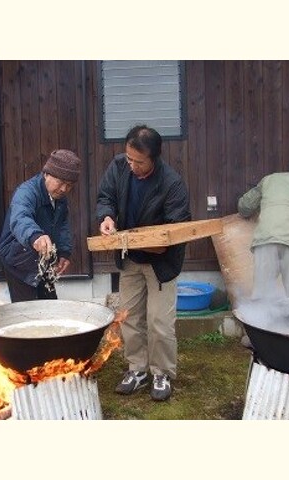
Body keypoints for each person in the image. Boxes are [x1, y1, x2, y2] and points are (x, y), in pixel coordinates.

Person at [96, 125, 191, 401]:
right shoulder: (119, 166)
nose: (132, 165)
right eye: (129, 158)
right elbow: (106, 197)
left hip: (161, 263)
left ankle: (161, 373)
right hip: (130, 260)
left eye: (139, 161)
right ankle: (137, 369)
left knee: (160, 321)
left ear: (154, 158)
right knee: (130, 317)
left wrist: (153, 241)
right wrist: (107, 216)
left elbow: (177, 226)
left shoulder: (171, 183)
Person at [0, 149, 81, 303]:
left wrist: (64, 253)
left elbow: (62, 226)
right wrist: (35, 236)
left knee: (50, 307)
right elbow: (20, 218)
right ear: (47, 174)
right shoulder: (26, 192)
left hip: (43, 258)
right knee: (27, 312)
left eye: (69, 185)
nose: (64, 189)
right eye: (60, 182)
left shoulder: (60, 198)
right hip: (18, 258)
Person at [237, 160, 289, 300]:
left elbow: (244, 207)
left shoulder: (269, 179)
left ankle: (258, 321)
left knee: (261, 295)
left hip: (266, 240)